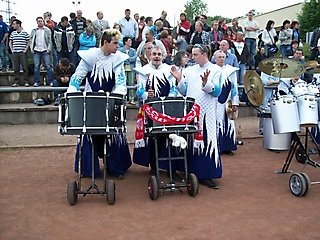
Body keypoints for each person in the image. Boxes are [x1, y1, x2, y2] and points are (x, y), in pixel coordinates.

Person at [67, 29, 132, 179]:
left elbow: (121, 81)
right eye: (115, 43)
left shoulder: (118, 59)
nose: (118, 46)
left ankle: (115, 167)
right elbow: (77, 78)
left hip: (111, 102)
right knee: (89, 133)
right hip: (91, 103)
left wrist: (119, 93)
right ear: (105, 42)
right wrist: (72, 90)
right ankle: (89, 169)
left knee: (114, 133)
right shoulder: (89, 57)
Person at [171, 43, 223, 189]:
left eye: (195, 54)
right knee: (190, 140)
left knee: (207, 140)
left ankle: (206, 174)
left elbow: (217, 92)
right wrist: (179, 79)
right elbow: (183, 90)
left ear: (204, 53)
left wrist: (207, 84)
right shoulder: (189, 70)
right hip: (191, 111)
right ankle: (189, 171)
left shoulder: (216, 70)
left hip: (207, 113)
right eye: (191, 55)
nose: (192, 57)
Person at [133, 46, 181, 180]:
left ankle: (172, 169)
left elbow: (173, 89)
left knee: (171, 137)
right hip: (150, 109)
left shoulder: (169, 69)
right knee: (153, 138)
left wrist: (168, 101)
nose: (156, 56)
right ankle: (154, 168)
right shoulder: (143, 71)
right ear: (149, 55)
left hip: (168, 109)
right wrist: (145, 95)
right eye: (154, 54)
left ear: (163, 56)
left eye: (159, 54)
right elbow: (139, 90)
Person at [214, 50, 239, 155]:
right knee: (217, 122)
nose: (221, 59)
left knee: (229, 122)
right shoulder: (212, 70)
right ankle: (218, 146)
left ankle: (228, 146)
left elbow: (234, 88)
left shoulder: (230, 70)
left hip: (228, 100)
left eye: (223, 57)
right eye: (219, 57)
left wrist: (235, 102)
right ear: (215, 59)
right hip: (216, 101)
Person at [29, 16, 54, 87]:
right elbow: (31, 40)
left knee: (48, 66)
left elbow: (50, 40)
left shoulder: (47, 30)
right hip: (36, 49)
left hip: (45, 50)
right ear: (37, 22)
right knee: (36, 66)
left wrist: (49, 49)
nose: (40, 22)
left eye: (41, 21)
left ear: (43, 22)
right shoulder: (34, 30)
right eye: (38, 21)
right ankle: (37, 82)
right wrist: (32, 48)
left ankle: (50, 81)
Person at [9, 19, 30, 87]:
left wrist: (25, 50)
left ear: (18, 24)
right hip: (15, 52)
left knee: (25, 67)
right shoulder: (13, 33)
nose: (13, 26)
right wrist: (12, 50)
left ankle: (26, 81)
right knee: (16, 68)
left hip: (22, 52)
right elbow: (10, 42)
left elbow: (28, 42)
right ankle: (16, 82)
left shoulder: (25, 33)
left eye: (14, 24)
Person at [119, 36, 137, 105]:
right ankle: (124, 98)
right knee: (123, 83)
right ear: (125, 42)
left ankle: (131, 99)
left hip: (131, 68)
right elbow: (121, 59)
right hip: (123, 68)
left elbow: (134, 59)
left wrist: (127, 58)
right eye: (129, 41)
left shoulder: (133, 50)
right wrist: (128, 59)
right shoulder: (120, 50)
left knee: (131, 83)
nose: (131, 42)